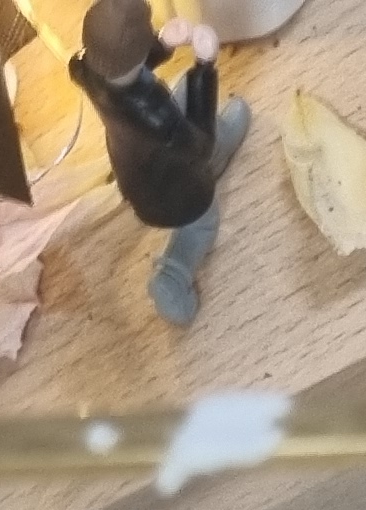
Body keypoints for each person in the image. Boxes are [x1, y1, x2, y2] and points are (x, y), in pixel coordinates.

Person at [69, 0, 250, 324]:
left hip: (133, 168)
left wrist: (163, 43)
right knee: (202, 224)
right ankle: (172, 276)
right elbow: (199, 146)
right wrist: (204, 68)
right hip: (170, 193)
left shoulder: (86, 68)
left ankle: (222, 139)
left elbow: (122, 68)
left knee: (181, 94)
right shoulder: (156, 116)